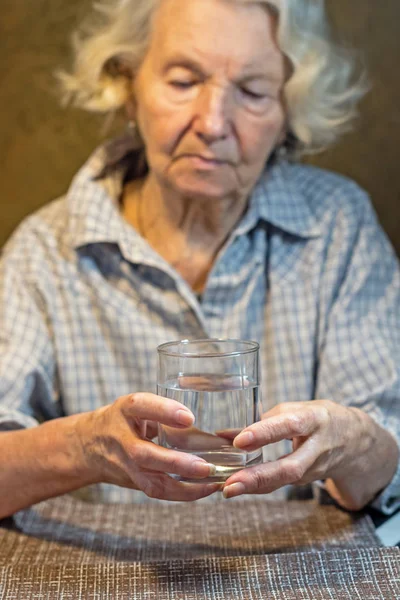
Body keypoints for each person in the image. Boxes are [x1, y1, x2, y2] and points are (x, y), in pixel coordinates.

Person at [0, 0, 399, 519]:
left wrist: (356, 445)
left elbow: (388, 475)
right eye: (184, 81)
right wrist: (82, 446)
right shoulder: (45, 250)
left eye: (253, 92)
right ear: (129, 88)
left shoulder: (338, 228)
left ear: (289, 112)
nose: (212, 124)